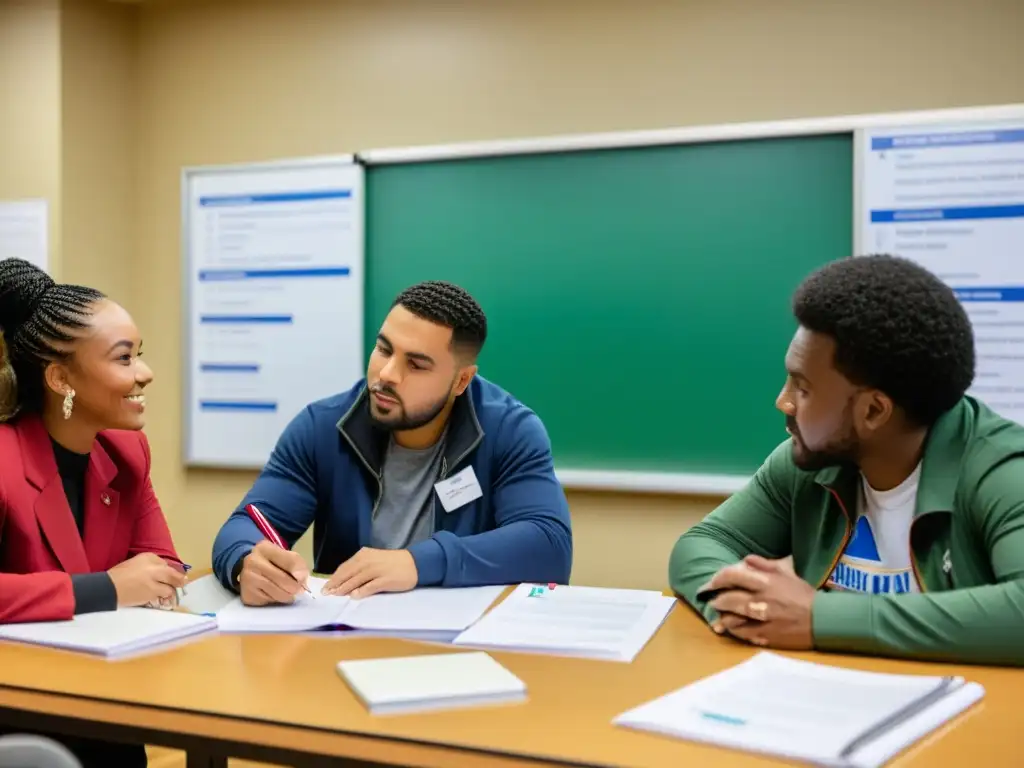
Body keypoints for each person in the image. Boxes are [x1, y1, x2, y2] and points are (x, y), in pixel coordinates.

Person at [669, 254, 1024, 667]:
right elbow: (702, 546)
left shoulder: (1002, 472)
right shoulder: (807, 464)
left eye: (802, 388)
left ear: (874, 411)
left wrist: (818, 619)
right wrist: (752, 614)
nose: (782, 400)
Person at [212, 280, 573, 604]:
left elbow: (548, 546)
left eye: (416, 365)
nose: (387, 375)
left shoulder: (510, 431)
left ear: (461, 381)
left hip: (461, 648)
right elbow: (246, 525)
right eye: (384, 350)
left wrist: (416, 563)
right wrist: (246, 561)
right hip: (342, 638)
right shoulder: (323, 427)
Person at [0, 258, 187, 767]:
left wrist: (141, 582)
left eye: (139, 355)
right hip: (18, 712)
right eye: (124, 358)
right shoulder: (3, 458)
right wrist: (105, 589)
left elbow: (161, 568)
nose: (144, 373)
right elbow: (127, 582)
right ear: (61, 378)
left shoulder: (127, 454)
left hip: (104, 700)